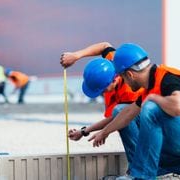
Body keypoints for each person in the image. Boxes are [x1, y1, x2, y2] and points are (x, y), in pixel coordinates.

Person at [89, 43, 180, 179]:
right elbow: (126, 114)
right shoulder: (150, 85)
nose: (124, 82)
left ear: (130, 75)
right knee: (121, 109)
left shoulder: (167, 78)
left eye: (123, 78)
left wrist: (154, 99)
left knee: (151, 109)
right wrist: (104, 132)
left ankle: (142, 176)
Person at [60, 42, 143, 170]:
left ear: (114, 80)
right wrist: (76, 56)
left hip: (156, 119)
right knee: (119, 112)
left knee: (121, 113)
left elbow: (119, 117)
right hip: (133, 113)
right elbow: (104, 46)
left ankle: (139, 169)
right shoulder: (111, 62)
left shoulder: (130, 90)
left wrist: (99, 132)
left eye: (103, 90)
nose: (102, 94)